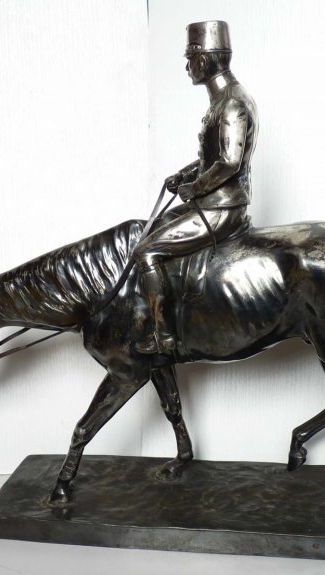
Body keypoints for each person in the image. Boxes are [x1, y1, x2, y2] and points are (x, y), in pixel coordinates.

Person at [133, 20, 259, 354]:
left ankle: (164, 337)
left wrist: (196, 188)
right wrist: (183, 175)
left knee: (146, 252)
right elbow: (212, 158)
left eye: (190, 59)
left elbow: (229, 164)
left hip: (222, 209)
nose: (187, 66)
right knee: (155, 228)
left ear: (203, 60)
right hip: (212, 203)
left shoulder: (231, 104)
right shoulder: (223, 100)